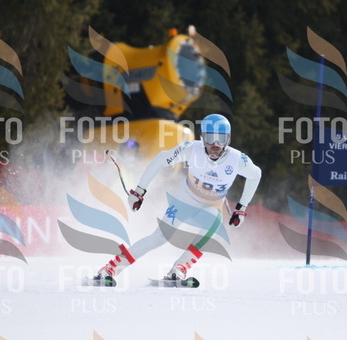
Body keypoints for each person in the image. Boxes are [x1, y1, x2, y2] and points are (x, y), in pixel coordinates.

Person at [93, 113, 262, 286]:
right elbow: (161, 159)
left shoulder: (237, 159)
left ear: (228, 139)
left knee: (213, 224)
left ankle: (179, 269)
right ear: (203, 137)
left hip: (211, 206)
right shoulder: (192, 149)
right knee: (159, 238)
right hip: (185, 202)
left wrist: (241, 208)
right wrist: (139, 191)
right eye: (211, 138)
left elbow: (256, 175)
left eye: (221, 139)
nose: (216, 144)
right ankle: (110, 269)